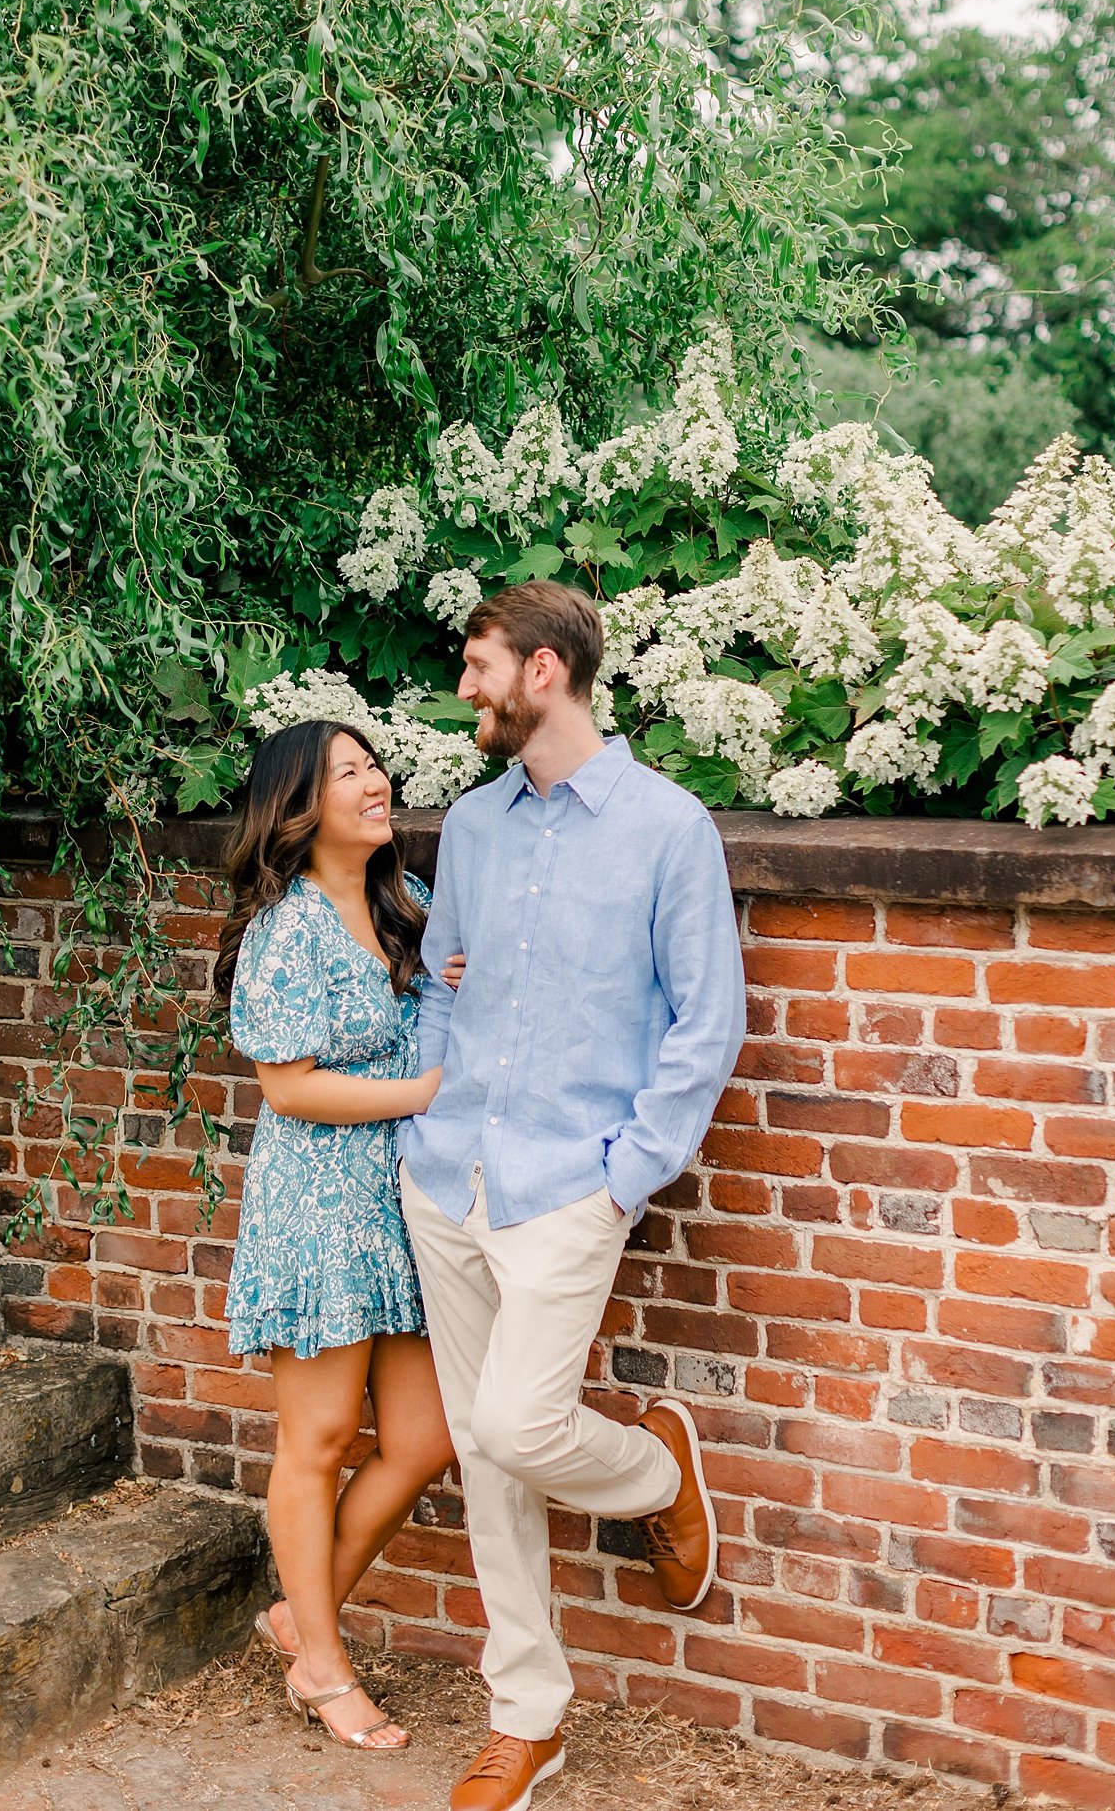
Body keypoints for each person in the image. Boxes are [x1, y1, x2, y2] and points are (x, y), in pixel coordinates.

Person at [398, 580, 747, 1811]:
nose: (466, 690)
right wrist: (430, 1107)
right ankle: (528, 1721)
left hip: (569, 1186)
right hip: (450, 1174)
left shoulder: (668, 829)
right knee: (487, 1463)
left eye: (478, 665)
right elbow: (445, 976)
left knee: (518, 1428)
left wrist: (622, 1180)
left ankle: (658, 1475)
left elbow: (707, 1026)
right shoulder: (476, 827)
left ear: (543, 671)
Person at [217, 719, 461, 1754]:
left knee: (422, 1442)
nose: (376, 781)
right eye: (348, 773)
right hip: (318, 1208)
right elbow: (289, 1086)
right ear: (301, 809)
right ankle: (323, 1665)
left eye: (374, 765)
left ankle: (298, 1622)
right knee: (315, 1444)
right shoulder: (289, 928)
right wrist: (426, 1093)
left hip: (403, 1207)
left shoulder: (405, 905)